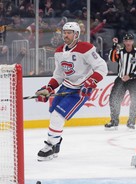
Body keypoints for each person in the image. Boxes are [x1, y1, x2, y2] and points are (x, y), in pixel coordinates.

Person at [35, 22, 108, 161]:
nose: (66, 35)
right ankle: (55, 145)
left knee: (57, 116)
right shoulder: (59, 52)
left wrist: (91, 82)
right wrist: (49, 88)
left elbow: (102, 67)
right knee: (53, 114)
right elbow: (59, 75)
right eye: (64, 32)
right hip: (66, 87)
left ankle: (51, 145)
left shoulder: (85, 48)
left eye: (69, 32)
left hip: (80, 90)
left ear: (76, 35)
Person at [105, 33, 136, 130]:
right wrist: (114, 45)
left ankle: (131, 122)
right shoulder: (120, 52)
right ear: (123, 42)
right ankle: (114, 121)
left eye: (130, 40)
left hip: (134, 81)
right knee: (114, 99)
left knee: (135, 101)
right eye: (126, 40)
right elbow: (112, 58)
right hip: (121, 80)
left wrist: (130, 76)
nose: (128, 42)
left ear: (132, 42)